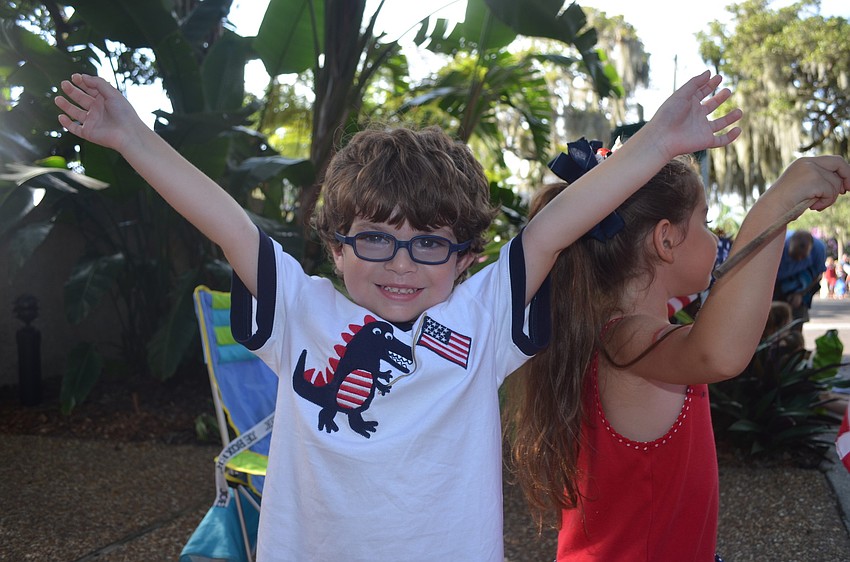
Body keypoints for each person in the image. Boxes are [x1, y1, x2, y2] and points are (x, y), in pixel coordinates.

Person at [55, 70, 742, 561]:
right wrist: (130, 136)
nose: (402, 265)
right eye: (376, 239)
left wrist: (655, 144)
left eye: (430, 243)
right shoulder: (300, 311)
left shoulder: (482, 320)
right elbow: (230, 226)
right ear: (335, 245)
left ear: (467, 256)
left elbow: (553, 228)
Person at [504, 146, 849, 560]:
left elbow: (711, 308)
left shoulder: (595, 329)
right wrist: (776, 205)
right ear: (665, 239)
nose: (717, 235)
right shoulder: (626, 340)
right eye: (705, 221)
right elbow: (719, 353)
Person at [774, 229, 827, 330]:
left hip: (802, 283)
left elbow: (818, 275)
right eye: (795, 256)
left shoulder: (819, 249)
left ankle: (794, 341)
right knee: (775, 320)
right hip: (777, 282)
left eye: (802, 256)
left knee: (796, 322)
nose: (798, 259)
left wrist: (800, 293)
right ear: (789, 245)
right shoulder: (778, 245)